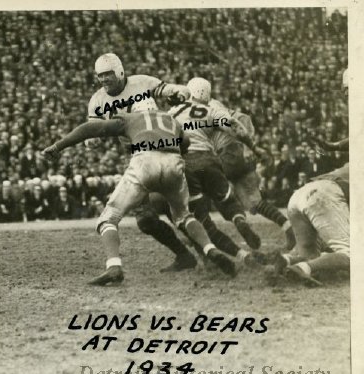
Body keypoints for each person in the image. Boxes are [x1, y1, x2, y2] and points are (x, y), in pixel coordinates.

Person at [43, 102, 237, 286]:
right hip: (174, 162)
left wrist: (58, 146)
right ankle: (210, 249)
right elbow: (185, 142)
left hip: (145, 161)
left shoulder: (130, 117)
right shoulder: (171, 120)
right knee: (184, 216)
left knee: (108, 218)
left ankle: (114, 266)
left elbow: (90, 128)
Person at [85, 53, 199, 272]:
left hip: (163, 148)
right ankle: (185, 255)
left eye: (108, 74)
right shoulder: (98, 100)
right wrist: (93, 138)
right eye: (100, 75)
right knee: (146, 220)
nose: (104, 79)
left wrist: (178, 92)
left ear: (119, 72)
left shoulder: (142, 82)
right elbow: (94, 127)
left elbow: (171, 90)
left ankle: (207, 250)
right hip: (136, 156)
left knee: (175, 209)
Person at [169, 78, 263, 266]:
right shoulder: (212, 110)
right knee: (228, 202)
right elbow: (237, 128)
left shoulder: (174, 112)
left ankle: (241, 255)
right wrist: (253, 147)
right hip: (209, 160)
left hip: (187, 164)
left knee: (202, 221)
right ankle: (239, 222)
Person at [207, 95, 296, 250]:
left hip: (224, 158)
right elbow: (245, 126)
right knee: (254, 203)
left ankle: (224, 227)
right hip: (242, 158)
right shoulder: (236, 114)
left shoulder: (206, 114)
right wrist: (252, 149)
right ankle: (288, 227)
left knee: (217, 197)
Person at [274, 164, 349, 287]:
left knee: (310, 255)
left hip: (300, 194)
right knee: (352, 253)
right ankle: (303, 268)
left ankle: (286, 260)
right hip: (324, 195)